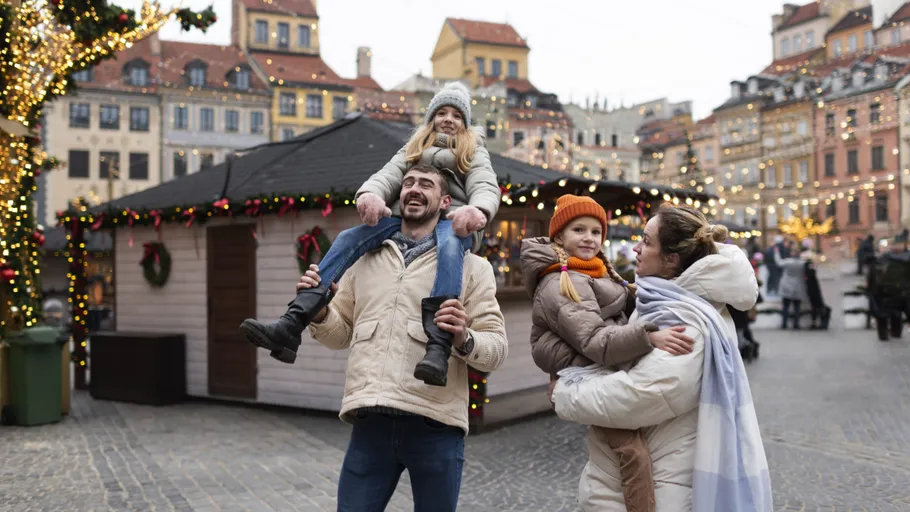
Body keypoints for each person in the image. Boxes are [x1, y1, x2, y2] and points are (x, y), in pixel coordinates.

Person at [241, 82, 501, 387]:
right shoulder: (414, 148)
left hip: (455, 222)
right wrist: (370, 195)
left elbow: (485, 184)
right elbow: (387, 175)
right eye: (441, 112)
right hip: (407, 218)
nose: (449, 119)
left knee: (449, 248)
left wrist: (478, 211)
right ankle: (293, 321)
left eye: (457, 115)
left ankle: (438, 346)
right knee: (350, 237)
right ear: (430, 119)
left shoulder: (473, 151)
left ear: (466, 124)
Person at [298, 164, 508, 511]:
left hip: (435, 425)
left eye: (426, 184)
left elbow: (496, 351)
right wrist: (319, 312)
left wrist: (463, 338)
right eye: (408, 182)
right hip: (371, 424)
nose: (414, 188)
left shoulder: (473, 268)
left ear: (445, 202)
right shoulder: (365, 259)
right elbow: (341, 336)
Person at [550, 204, 770, 511]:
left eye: (647, 241)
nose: (637, 248)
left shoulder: (686, 321)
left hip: (661, 485)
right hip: (644, 477)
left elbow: (640, 395)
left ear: (671, 260)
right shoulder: (666, 301)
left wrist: (565, 391)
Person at [520, 195, 695, 512]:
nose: (588, 238)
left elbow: (623, 303)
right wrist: (648, 336)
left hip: (599, 370)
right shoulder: (563, 280)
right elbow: (594, 340)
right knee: (633, 454)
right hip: (584, 374)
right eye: (579, 230)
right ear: (560, 235)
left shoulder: (597, 271)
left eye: (595, 232)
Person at [775, 242, 810, 330]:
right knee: (796, 306)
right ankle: (796, 324)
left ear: (792, 252)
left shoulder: (787, 262)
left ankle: (784, 324)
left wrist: (776, 253)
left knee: (786, 306)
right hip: (798, 286)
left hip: (786, 285)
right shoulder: (802, 263)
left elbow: (778, 263)